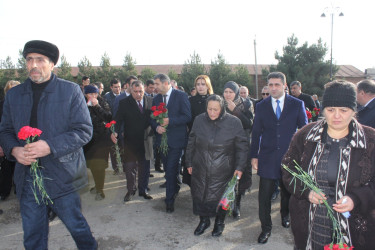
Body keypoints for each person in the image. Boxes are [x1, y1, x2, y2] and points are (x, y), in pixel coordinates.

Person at [0, 40, 97, 249]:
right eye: (29, 60)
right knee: (33, 236)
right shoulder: (14, 95)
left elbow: (84, 130)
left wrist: (50, 146)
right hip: (28, 179)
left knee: (77, 228)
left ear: (52, 64)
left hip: (63, 176)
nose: (34, 64)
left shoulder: (70, 91)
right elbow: (6, 130)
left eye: (40, 60)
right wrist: (14, 150)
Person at [282, 80, 375, 250]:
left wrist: (356, 198)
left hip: (355, 224)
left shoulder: (370, 140)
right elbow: (289, 169)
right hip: (313, 222)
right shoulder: (306, 135)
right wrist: (306, 191)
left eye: (344, 110)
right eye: (331, 110)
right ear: (323, 109)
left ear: (354, 111)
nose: (337, 116)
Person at [250, 72, 307, 244]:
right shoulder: (261, 106)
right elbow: (256, 132)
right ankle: (265, 228)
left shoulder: (297, 104)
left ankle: (285, 215)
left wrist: (303, 155)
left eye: (277, 85)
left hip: (290, 158)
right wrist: (254, 155)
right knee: (264, 197)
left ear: (284, 85)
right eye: (270, 85)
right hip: (267, 157)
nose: (273, 88)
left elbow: (304, 130)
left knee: (287, 193)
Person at [185, 94, 248, 237]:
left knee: (223, 197)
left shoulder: (233, 122)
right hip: (200, 165)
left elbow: (242, 147)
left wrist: (239, 167)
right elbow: (191, 141)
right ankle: (204, 220)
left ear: (222, 108)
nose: (212, 113)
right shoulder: (199, 119)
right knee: (200, 195)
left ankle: (220, 222)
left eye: (216, 110)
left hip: (224, 169)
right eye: (209, 109)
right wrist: (188, 161)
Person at [151, 73, 191, 213]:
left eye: (156, 84)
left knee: (170, 170)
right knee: (169, 169)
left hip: (177, 141)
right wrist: (157, 127)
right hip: (162, 141)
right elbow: (152, 118)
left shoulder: (180, 96)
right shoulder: (156, 99)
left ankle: (169, 201)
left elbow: (187, 116)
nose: (154, 87)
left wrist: (170, 121)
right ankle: (175, 186)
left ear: (166, 83)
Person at [113, 80, 153, 201]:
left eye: (140, 91)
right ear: (131, 90)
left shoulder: (150, 101)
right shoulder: (124, 103)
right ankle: (131, 190)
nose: (138, 94)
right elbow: (118, 119)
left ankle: (143, 189)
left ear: (143, 90)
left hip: (146, 140)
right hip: (130, 140)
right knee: (130, 167)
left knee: (144, 167)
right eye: (135, 92)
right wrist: (114, 131)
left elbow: (155, 118)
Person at [223, 81, 253, 219]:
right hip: (225, 145)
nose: (228, 95)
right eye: (226, 92)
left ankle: (237, 203)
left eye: (231, 92)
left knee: (240, 174)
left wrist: (235, 110)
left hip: (242, 144)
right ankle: (227, 201)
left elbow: (249, 124)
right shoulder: (220, 103)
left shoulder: (246, 104)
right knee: (227, 175)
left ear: (236, 92)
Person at [183, 75, 214, 186]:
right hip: (194, 140)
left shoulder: (214, 99)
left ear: (208, 85)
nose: (200, 87)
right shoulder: (190, 100)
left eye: (203, 84)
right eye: (198, 84)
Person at [83, 84, 112, 200]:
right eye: (91, 94)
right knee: (92, 165)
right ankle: (97, 185)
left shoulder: (102, 102)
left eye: (95, 93)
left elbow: (109, 117)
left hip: (101, 139)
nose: (93, 96)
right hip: (88, 140)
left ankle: (100, 190)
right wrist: (85, 107)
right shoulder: (81, 103)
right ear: (86, 94)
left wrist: (97, 106)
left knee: (99, 165)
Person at [0, 80, 20, 201]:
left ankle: (19, 189)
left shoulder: (25, 105)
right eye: (10, 90)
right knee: (6, 168)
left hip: (21, 142)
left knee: (20, 167)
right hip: (5, 142)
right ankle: (4, 191)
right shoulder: (1, 105)